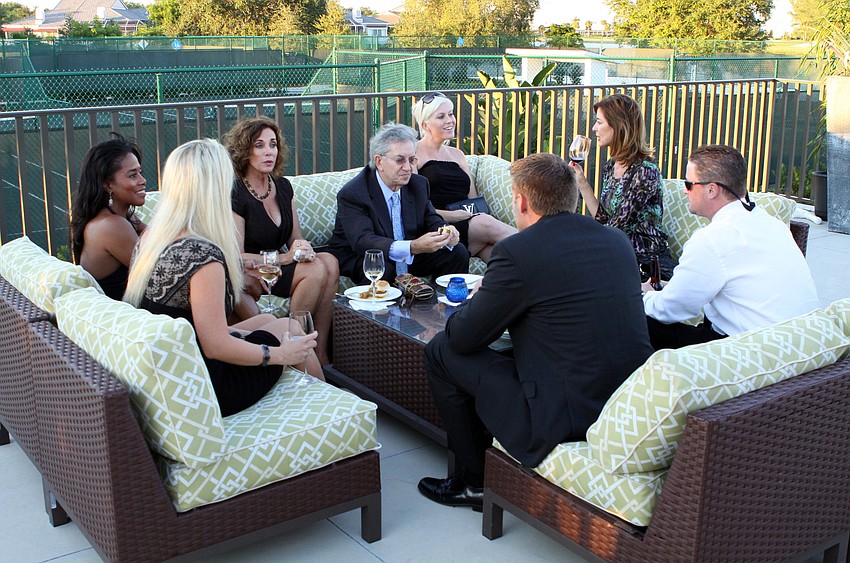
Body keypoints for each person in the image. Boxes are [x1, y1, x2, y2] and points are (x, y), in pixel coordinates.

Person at [418, 153, 654, 510]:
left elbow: (464, 338)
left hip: (565, 416)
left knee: (440, 352)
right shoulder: (616, 240)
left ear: (522, 201)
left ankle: (473, 480)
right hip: (625, 398)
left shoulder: (518, 251)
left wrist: (479, 299)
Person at [124, 139, 324, 418]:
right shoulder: (204, 256)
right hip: (209, 386)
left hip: (180, 368)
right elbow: (215, 344)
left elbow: (191, 326)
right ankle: (329, 411)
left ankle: (326, 403)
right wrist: (280, 355)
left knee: (272, 322)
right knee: (291, 332)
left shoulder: (152, 238)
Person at [642, 144, 820, 350]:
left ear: (711, 190)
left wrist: (646, 296)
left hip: (749, 355)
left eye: (689, 184)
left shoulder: (712, 239)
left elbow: (671, 310)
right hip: (800, 345)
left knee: (636, 320)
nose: (684, 191)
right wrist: (667, 290)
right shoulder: (771, 224)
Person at [223, 117, 339, 365]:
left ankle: (320, 351)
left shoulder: (283, 187)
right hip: (256, 273)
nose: (269, 152)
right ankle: (295, 346)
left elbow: (295, 238)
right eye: (259, 145)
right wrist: (286, 257)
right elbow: (237, 255)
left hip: (279, 268)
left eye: (273, 145)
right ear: (244, 151)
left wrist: (303, 248)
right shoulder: (236, 192)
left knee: (328, 260)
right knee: (316, 269)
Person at [328, 122, 470, 283]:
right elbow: (363, 240)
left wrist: (446, 231)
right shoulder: (354, 193)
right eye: (400, 160)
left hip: (408, 254)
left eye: (412, 160)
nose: (408, 168)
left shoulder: (418, 184)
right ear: (379, 162)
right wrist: (412, 247)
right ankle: (381, 309)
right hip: (363, 255)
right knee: (380, 266)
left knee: (456, 252)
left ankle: (446, 306)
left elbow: (431, 218)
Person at [570, 93, 675, 279]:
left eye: (599, 122)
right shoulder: (611, 165)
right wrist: (582, 184)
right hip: (618, 256)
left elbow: (616, 228)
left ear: (618, 126)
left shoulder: (645, 171)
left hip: (646, 265)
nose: (594, 128)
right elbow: (604, 220)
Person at [412, 92, 517, 262]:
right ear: (425, 125)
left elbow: (473, 200)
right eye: (441, 116)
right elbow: (414, 208)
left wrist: (469, 215)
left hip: (469, 223)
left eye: (451, 114)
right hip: (437, 226)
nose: (450, 120)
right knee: (485, 224)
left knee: (501, 256)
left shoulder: (458, 154)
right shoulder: (413, 154)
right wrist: (454, 216)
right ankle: (542, 245)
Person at [71, 133, 147, 300]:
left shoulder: (123, 216)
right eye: (133, 175)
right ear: (107, 185)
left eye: (140, 172)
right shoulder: (111, 225)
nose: (143, 180)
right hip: (127, 321)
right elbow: (158, 275)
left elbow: (162, 240)